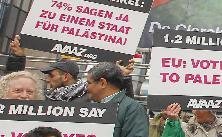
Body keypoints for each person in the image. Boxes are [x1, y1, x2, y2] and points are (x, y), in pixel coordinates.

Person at [6, 34, 137, 100]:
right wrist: (18, 56)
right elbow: (12, 82)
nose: (47, 79)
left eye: (51, 75)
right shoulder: (47, 98)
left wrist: (123, 77)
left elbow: (123, 107)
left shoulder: (91, 98)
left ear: (65, 76)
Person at [85, 62, 149, 137]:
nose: (86, 88)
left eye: (89, 83)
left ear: (102, 83)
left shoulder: (133, 109)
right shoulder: (90, 107)